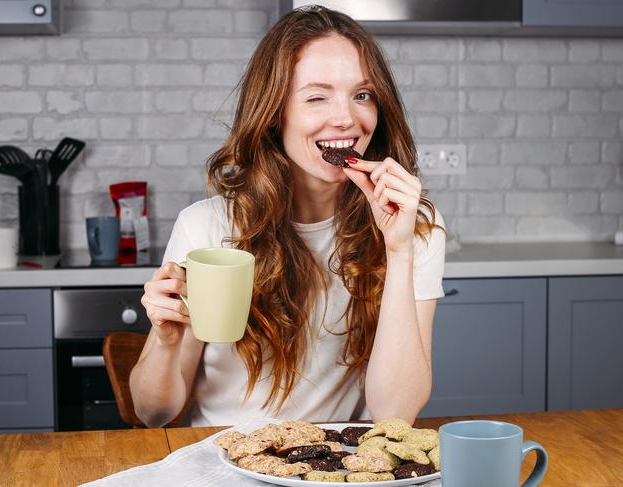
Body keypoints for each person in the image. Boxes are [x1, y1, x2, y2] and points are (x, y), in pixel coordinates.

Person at [130, 5, 446, 428]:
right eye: (317, 97)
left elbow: (395, 415)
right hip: (220, 462)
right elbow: (154, 413)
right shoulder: (206, 227)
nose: (346, 118)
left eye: (363, 95)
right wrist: (166, 342)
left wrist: (400, 248)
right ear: (276, 114)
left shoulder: (413, 225)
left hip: (335, 465)